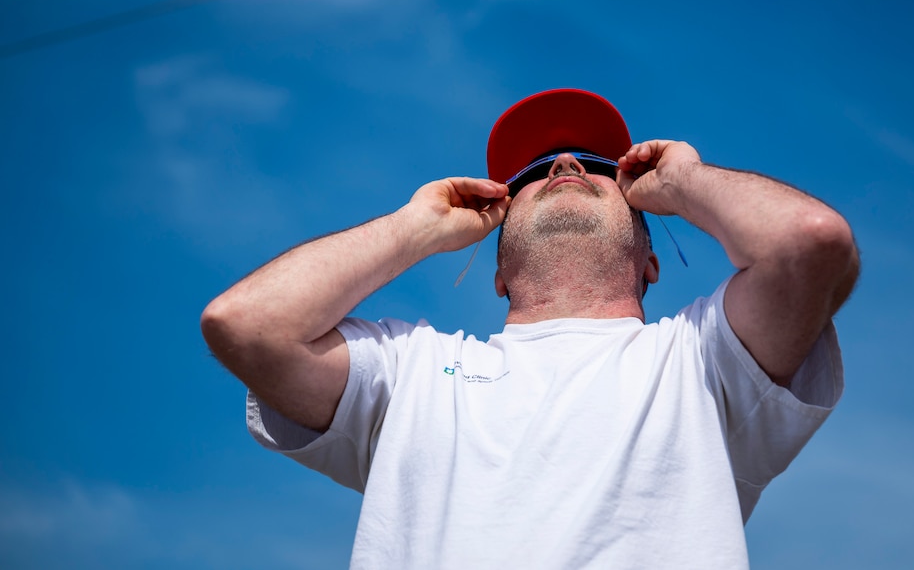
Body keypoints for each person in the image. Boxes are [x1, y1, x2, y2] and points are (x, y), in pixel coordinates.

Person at [202, 88, 860, 569]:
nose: (565, 164)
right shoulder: (413, 370)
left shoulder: (701, 360)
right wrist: (413, 227)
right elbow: (246, 324)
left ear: (652, 259)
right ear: (497, 270)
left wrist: (685, 179)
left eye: (601, 167)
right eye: (534, 170)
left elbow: (810, 242)